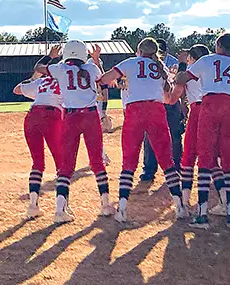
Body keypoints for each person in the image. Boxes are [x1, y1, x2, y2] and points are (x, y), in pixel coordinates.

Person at [98, 38, 187, 223]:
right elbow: (169, 98)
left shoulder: (131, 62)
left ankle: (122, 208)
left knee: (129, 161)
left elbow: (104, 78)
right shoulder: (159, 67)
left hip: (135, 111)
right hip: (156, 111)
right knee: (167, 160)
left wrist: (118, 78)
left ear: (139, 50)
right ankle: (180, 206)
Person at [34, 41, 115, 223]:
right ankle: (105, 204)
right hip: (90, 115)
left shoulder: (60, 69)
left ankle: (60, 209)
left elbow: (39, 68)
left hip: (70, 116)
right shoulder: (91, 68)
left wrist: (50, 57)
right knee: (97, 162)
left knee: (66, 165)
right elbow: (101, 79)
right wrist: (96, 59)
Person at [176, 33, 230, 229]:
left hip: (210, 106)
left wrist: (184, 66)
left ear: (218, 45)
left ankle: (201, 213)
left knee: (206, 158)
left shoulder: (206, 60)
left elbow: (181, 79)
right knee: (229, 158)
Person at [13, 69, 63, 219]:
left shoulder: (41, 81)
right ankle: (61, 209)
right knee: (62, 163)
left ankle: (33, 206)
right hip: (52, 117)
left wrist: (34, 76)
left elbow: (16, 90)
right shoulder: (66, 80)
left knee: (38, 163)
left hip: (32, 116)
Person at [167, 44, 210, 210]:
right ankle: (227, 203)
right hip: (219, 108)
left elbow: (174, 94)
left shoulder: (191, 70)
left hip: (199, 111)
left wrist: (183, 64)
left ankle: (185, 202)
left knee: (189, 155)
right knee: (216, 155)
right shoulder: (213, 67)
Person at [140, 38, 183, 181]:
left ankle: (175, 168)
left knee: (174, 136)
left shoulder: (172, 62)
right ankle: (150, 169)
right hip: (160, 102)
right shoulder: (145, 63)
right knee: (151, 137)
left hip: (168, 102)